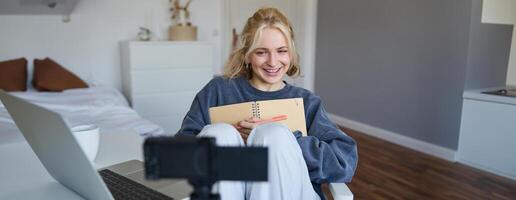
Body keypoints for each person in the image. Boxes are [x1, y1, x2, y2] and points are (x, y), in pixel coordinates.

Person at [176, 7, 358, 200]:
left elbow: (344, 162)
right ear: (247, 54)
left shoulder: (306, 101)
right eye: (261, 52)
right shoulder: (218, 90)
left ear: (291, 53)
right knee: (218, 133)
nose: (273, 62)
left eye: (281, 51)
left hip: (292, 192)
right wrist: (231, 141)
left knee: (274, 135)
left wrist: (291, 141)